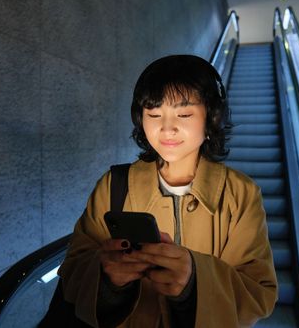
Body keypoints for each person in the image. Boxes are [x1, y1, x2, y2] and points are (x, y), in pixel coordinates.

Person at [58, 55, 278, 327]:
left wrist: (194, 281)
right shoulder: (113, 185)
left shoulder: (240, 193)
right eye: (153, 114)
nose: (166, 128)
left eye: (184, 114)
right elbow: (72, 272)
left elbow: (259, 294)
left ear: (212, 116)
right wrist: (107, 278)